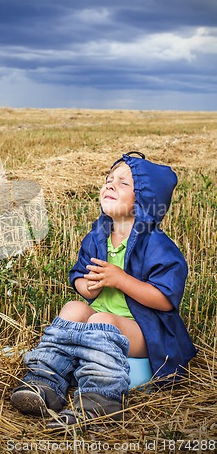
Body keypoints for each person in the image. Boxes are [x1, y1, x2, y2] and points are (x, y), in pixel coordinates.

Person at [10, 152, 197, 430]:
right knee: (73, 309)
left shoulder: (158, 245)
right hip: (102, 318)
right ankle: (44, 383)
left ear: (145, 200)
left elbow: (165, 300)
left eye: (123, 183)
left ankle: (100, 402)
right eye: (109, 180)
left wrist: (120, 279)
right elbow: (78, 277)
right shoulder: (97, 236)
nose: (110, 185)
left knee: (102, 321)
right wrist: (89, 287)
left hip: (144, 330)